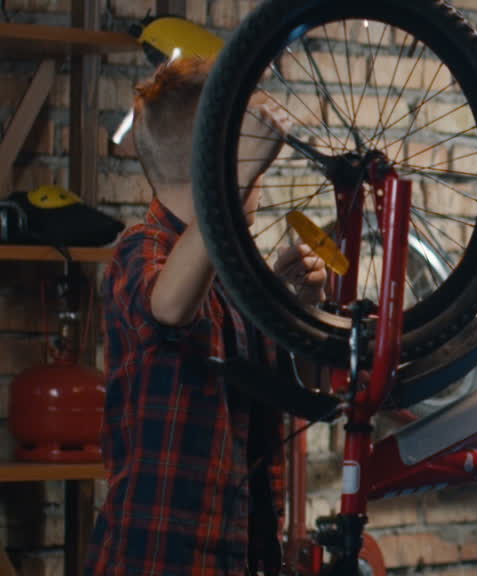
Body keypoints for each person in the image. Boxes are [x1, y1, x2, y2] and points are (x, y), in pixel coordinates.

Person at [86, 57, 327, 574]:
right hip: (157, 557)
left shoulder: (236, 274)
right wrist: (235, 174)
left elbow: (305, 390)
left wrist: (300, 311)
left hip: (241, 555)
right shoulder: (141, 248)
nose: (257, 182)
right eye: (252, 163)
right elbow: (169, 308)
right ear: (217, 164)